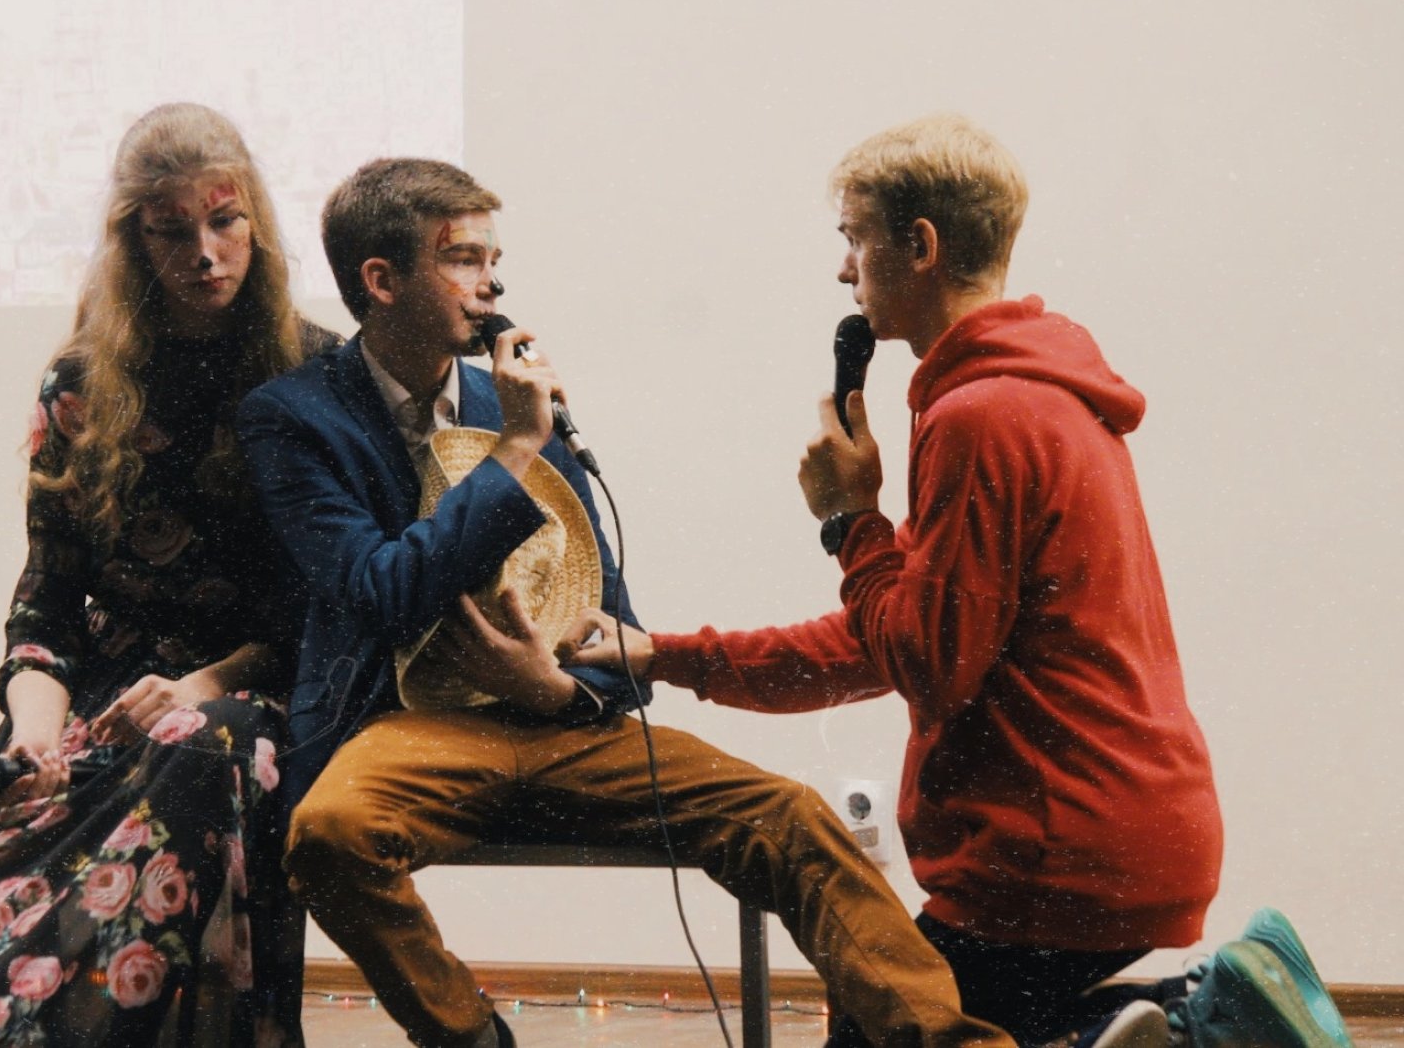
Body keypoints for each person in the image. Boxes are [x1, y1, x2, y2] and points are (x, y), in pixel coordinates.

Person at [561, 113, 1351, 1048]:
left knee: (886, 1028)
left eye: (854, 239)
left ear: (921, 246)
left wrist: (851, 519)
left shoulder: (980, 417)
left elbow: (926, 663)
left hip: (1051, 851)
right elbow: (883, 638)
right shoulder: (1035, 396)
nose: (844, 270)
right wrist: (664, 656)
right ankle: (1189, 1014)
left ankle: (1191, 1028)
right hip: (1123, 828)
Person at [236, 157, 1047, 1048]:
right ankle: (476, 1040)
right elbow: (378, 591)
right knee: (329, 835)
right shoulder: (296, 415)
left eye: (494, 259)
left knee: (788, 817)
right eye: (463, 259)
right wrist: (516, 448)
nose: (492, 283)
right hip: (407, 727)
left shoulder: (518, 401)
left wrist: (551, 687)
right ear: (381, 281)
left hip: (555, 719)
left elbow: (608, 621)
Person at [0, 103, 328, 1048]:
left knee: (190, 753)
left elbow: (325, 611)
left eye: (225, 221)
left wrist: (202, 682)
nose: (204, 252)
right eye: (171, 231)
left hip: (257, 686)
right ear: (133, 242)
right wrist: (36, 733)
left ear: (255, 219)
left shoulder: (315, 372)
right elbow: (45, 602)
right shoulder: (83, 384)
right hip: (110, 687)